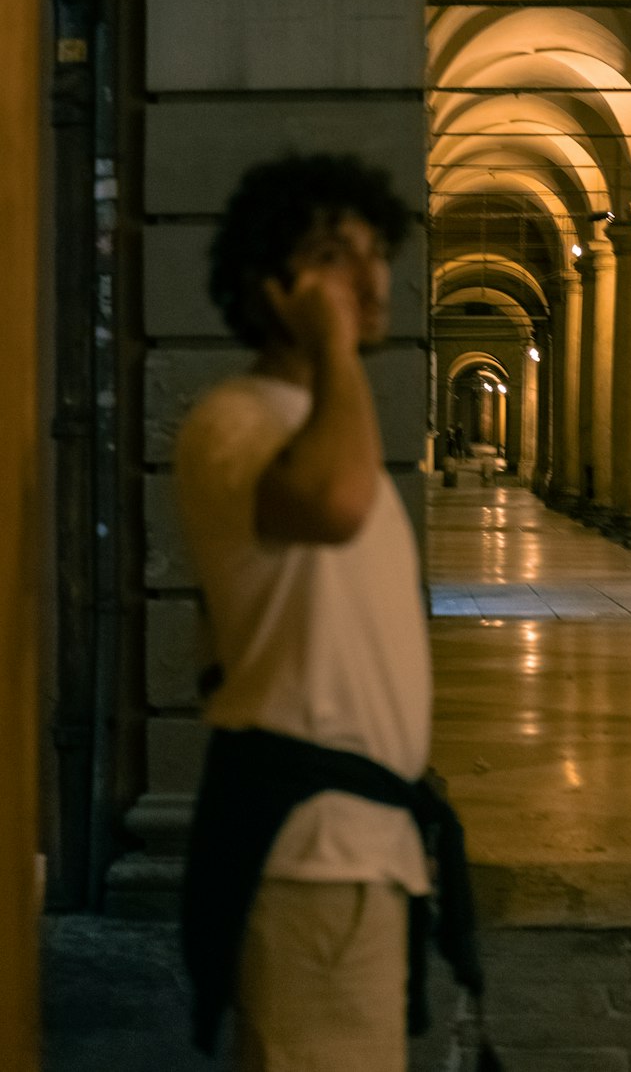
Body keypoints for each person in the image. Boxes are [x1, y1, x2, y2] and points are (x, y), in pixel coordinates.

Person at [173, 152, 453, 1072]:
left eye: (378, 252)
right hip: (312, 856)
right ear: (274, 280)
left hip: (355, 848)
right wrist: (334, 347)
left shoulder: (324, 429)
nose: (372, 279)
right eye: (337, 254)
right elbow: (329, 508)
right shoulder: (240, 420)